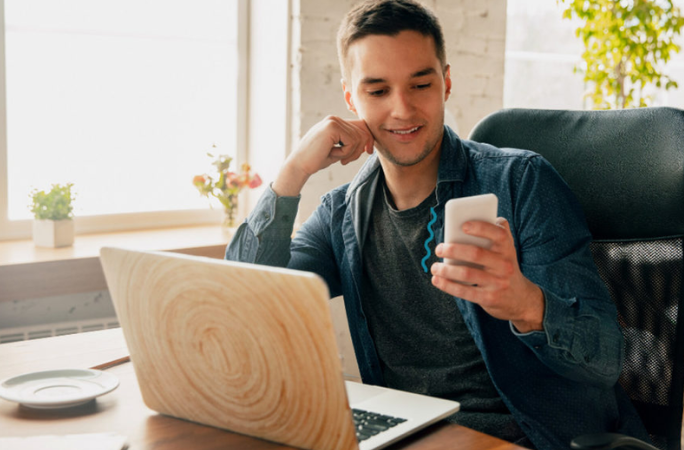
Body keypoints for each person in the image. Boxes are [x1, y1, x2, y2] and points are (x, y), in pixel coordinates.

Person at [226, 1, 650, 448]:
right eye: (377, 91)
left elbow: (606, 357)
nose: (403, 109)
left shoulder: (521, 182)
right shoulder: (341, 214)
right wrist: (292, 172)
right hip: (407, 435)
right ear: (351, 99)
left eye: (420, 84)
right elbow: (245, 301)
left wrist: (526, 303)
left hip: (521, 437)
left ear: (446, 82)